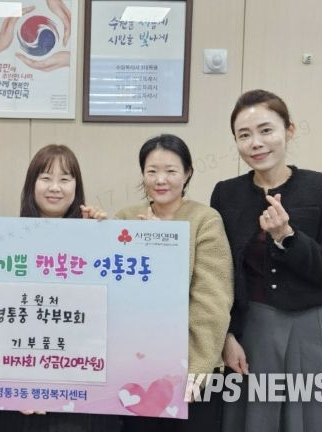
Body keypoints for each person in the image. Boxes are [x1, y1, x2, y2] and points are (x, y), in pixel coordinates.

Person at [212, 90, 322, 432]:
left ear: (289, 130)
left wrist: (287, 236)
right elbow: (219, 273)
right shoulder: (226, 193)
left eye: (266, 130)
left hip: (312, 328)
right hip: (252, 330)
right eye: (244, 135)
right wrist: (226, 336)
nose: (256, 143)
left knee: (311, 420)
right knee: (253, 419)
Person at [0, 144, 121, 432]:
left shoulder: (98, 235)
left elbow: (110, 307)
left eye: (65, 179)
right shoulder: (4, 240)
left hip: (80, 384)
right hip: (20, 383)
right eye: (45, 178)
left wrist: (100, 236)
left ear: (76, 187)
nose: (55, 187)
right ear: (32, 184)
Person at [118, 134, 233, 432]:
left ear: (187, 173)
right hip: (137, 368)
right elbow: (118, 295)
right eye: (152, 171)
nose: (161, 180)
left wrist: (198, 369)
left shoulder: (205, 219)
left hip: (192, 368)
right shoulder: (126, 219)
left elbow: (212, 301)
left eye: (171, 171)